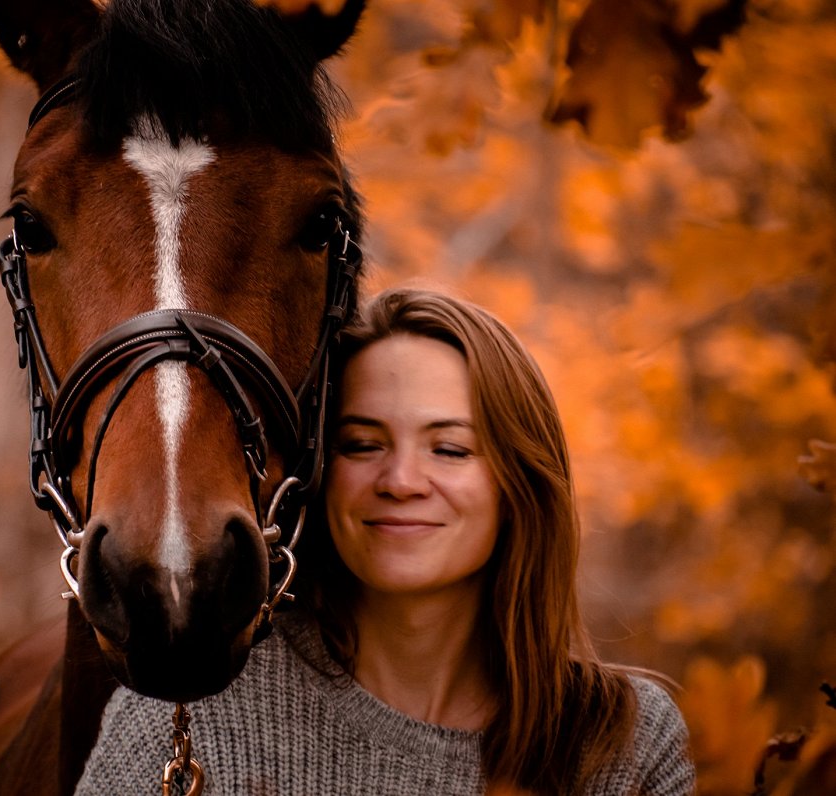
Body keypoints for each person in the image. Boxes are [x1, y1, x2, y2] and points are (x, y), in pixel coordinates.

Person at [75, 288, 695, 795]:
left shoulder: (624, 744)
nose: (400, 481)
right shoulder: (193, 710)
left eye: (449, 449)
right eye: (362, 444)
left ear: (520, 484)